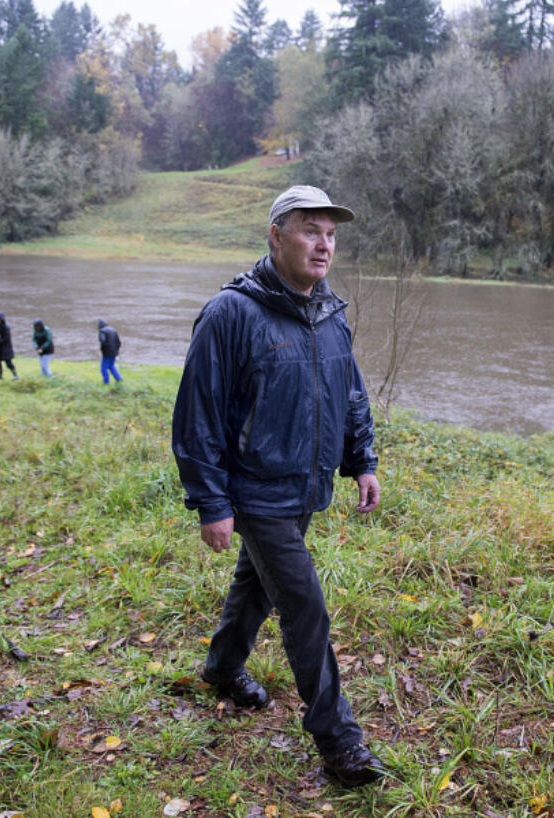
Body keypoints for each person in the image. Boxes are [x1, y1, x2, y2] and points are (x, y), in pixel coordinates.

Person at [171, 185, 385, 788]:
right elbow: (198, 415)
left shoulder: (330, 314)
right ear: (276, 234)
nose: (325, 245)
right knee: (304, 606)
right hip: (256, 491)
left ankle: (220, 669)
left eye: (332, 234)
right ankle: (340, 744)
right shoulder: (231, 314)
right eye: (311, 230)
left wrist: (361, 459)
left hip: (306, 487)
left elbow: (350, 393)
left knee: (256, 586)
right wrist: (212, 502)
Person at [0, 312, 17, 379]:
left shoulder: (6, 327)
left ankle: (15, 375)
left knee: (8, 363)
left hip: (5, 348)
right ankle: (0, 375)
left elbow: (6, 338)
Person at [97, 319, 122, 384]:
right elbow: (119, 342)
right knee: (111, 366)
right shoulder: (113, 330)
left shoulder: (102, 331)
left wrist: (102, 350)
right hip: (114, 353)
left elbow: (102, 341)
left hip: (107, 353)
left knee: (103, 368)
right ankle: (119, 379)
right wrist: (116, 351)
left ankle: (106, 382)